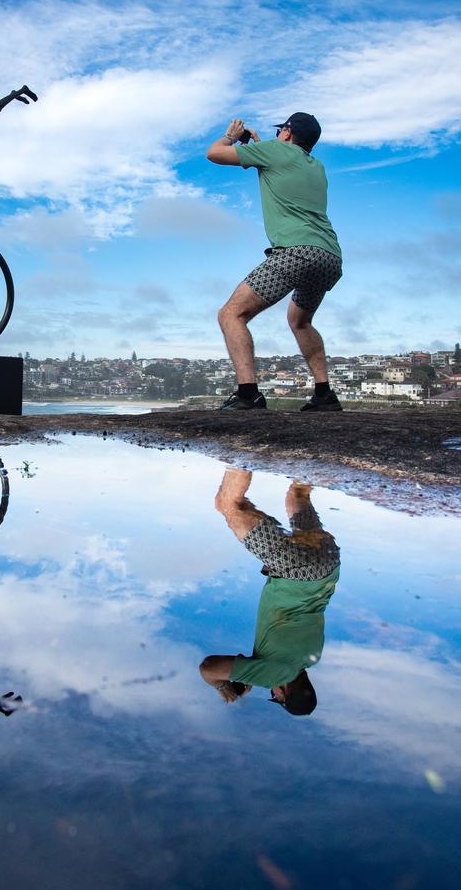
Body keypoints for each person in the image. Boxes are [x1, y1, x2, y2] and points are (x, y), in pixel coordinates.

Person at [206, 112, 343, 411]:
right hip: (329, 256)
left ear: (288, 132)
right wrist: (259, 145)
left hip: (297, 252)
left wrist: (231, 136)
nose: (279, 133)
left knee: (231, 314)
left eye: (281, 129)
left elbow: (214, 154)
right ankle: (324, 395)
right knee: (300, 321)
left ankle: (248, 394)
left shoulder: (274, 151)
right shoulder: (317, 167)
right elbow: (279, 165)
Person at [199, 468, 340, 715]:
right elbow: (209, 668)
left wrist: (253, 672)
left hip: (327, 566)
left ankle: (317, 456)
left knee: (298, 495)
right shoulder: (276, 673)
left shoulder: (310, 658)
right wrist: (222, 685)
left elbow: (280, 656)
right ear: (282, 693)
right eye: (274, 695)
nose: (271, 691)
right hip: (296, 572)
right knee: (230, 506)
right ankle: (239, 455)